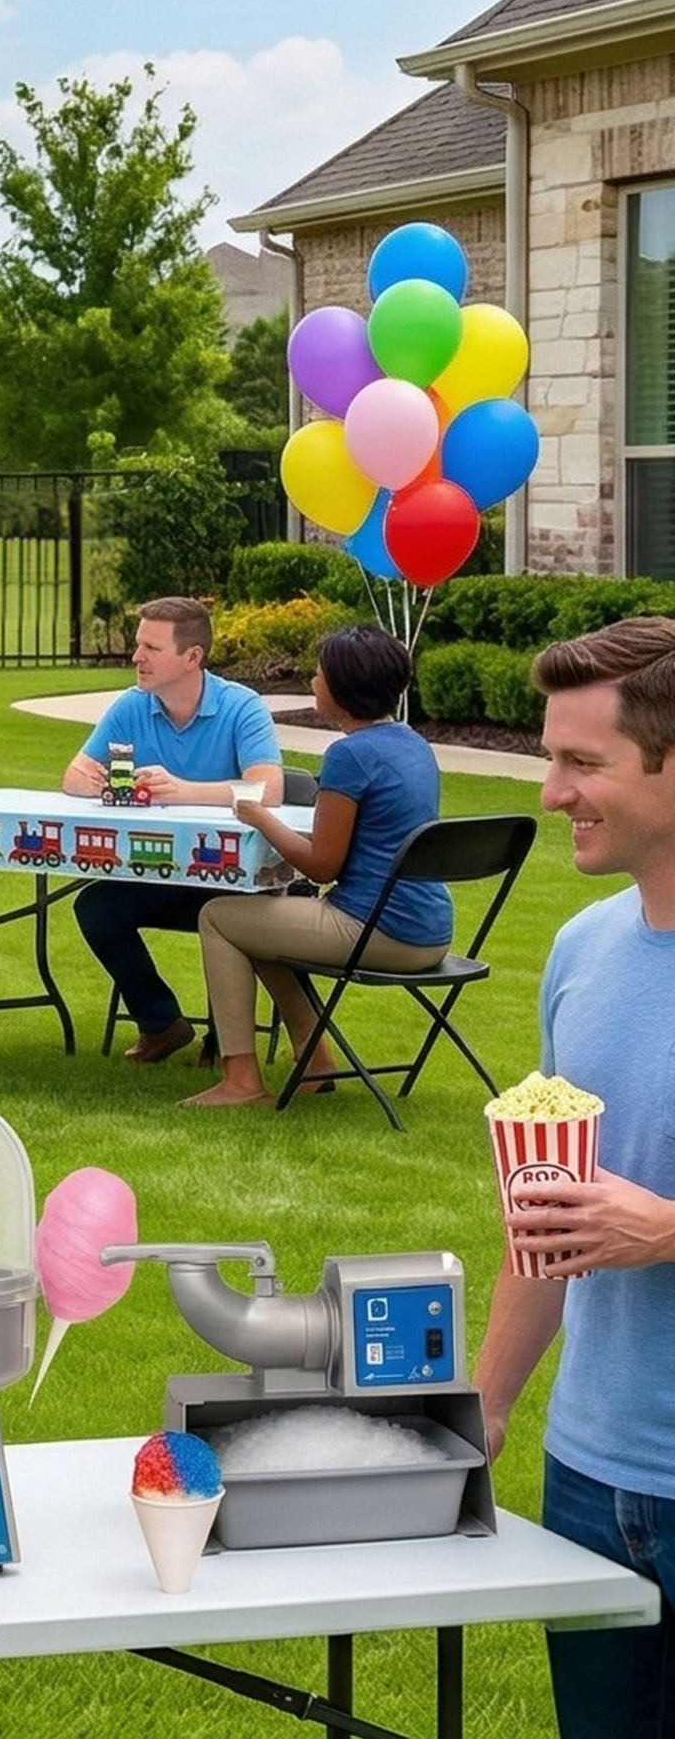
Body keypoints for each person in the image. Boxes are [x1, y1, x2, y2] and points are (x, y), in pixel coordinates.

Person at [478, 616, 675, 1738]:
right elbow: (543, 1211)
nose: (553, 792)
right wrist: (486, 1406)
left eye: (582, 762)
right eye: (553, 756)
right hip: (591, 1477)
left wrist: (668, 1227)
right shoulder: (584, 948)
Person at [184, 625, 445, 1109]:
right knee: (258, 915)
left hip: (378, 930)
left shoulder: (350, 755)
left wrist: (259, 817)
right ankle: (315, 1059)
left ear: (343, 691)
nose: (313, 682)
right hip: (430, 928)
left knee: (217, 917)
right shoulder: (411, 743)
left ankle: (241, 1080)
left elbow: (323, 866)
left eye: (320, 674)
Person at [60, 596, 285, 1065]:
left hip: (233, 878)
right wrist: (96, 781)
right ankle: (162, 1023)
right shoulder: (132, 706)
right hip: (159, 870)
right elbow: (73, 776)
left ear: (192, 658)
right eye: (139, 644)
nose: (136, 656)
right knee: (96, 906)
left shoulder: (241, 707)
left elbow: (270, 790)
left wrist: (184, 791)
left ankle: (226, 1040)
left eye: (151, 647)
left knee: (228, 919)